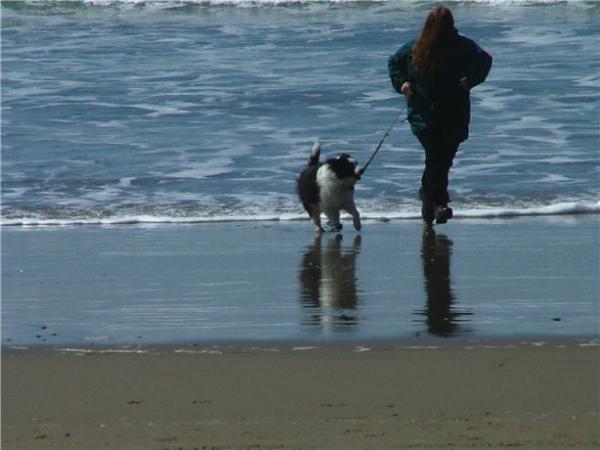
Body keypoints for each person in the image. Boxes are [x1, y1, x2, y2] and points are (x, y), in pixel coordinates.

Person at [388, 5, 492, 225]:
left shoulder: (462, 46)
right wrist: (402, 84)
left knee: (443, 160)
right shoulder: (414, 48)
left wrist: (470, 79)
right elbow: (394, 63)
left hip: (453, 114)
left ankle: (428, 197)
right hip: (423, 114)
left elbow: (484, 60)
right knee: (437, 157)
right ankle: (439, 204)